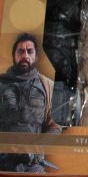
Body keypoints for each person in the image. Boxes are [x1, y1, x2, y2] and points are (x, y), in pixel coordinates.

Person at [0, 33, 61, 173]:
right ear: (14, 55)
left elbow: (54, 126)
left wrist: (38, 147)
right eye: (20, 51)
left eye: (29, 51)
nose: (25, 55)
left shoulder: (48, 86)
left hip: (33, 164)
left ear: (36, 56)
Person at [43, 0, 83, 126]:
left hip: (62, 49)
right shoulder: (51, 0)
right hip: (54, 49)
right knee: (58, 83)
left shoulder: (74, 2)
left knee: (61, 84)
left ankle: (59, 119)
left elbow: (77, 24)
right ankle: (56, 119)